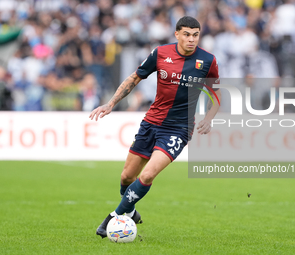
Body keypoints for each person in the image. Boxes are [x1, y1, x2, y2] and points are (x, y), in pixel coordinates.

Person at [89, 16, 221, 238]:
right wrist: (111, 103)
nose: (191, 39)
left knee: (148, 174)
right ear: (177, 34)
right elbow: (135, 78)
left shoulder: (208, 61)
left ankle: (113, 218)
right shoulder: (160, 53)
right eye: (187, 34)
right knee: (126, 178)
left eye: (195, 35)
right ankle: (130, 209)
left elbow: (215, 95)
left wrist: (208, 118)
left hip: (179, 129)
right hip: (151, 123)